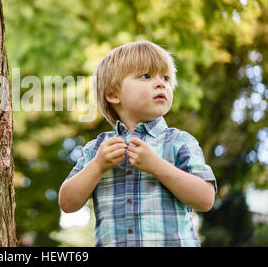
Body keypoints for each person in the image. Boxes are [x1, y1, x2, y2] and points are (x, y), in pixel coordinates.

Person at [59, 41, 217, 247]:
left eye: (166, 78)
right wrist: (97, 166)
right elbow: (68, 203)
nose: (161, 83)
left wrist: (157, 166)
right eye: (146, 76)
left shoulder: (180, 141)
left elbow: (205, 199)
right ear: (113, 94)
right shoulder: (97, 150)